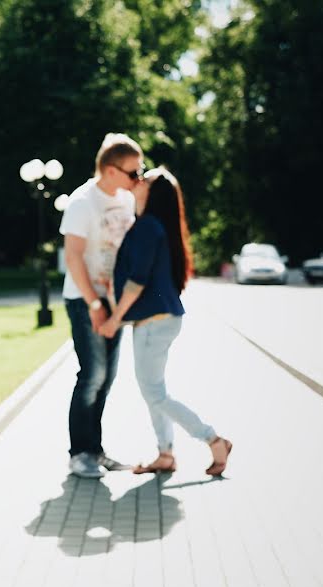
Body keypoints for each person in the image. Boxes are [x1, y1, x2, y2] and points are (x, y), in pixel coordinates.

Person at [97, 167, 232, 476]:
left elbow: (137, 281)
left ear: (154, 192)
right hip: (156, 322)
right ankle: (165, 454)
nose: (139, 178)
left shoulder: (148, 227)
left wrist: (114, 320)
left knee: (155, 393)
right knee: (154, 391)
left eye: (147, 177)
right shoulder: (149, 226)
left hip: (154, 323)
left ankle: (213, 440)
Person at [59, 133, 145, 478]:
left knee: (106, 378)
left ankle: (95, 450)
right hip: (84, 300)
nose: (138, 179)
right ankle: (79, 453)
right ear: (110, 171)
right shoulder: (82, 202)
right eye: (133, 172)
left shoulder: (125, 200)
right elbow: (73, 256)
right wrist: (94, 302)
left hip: (113, 301)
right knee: (91, 375)